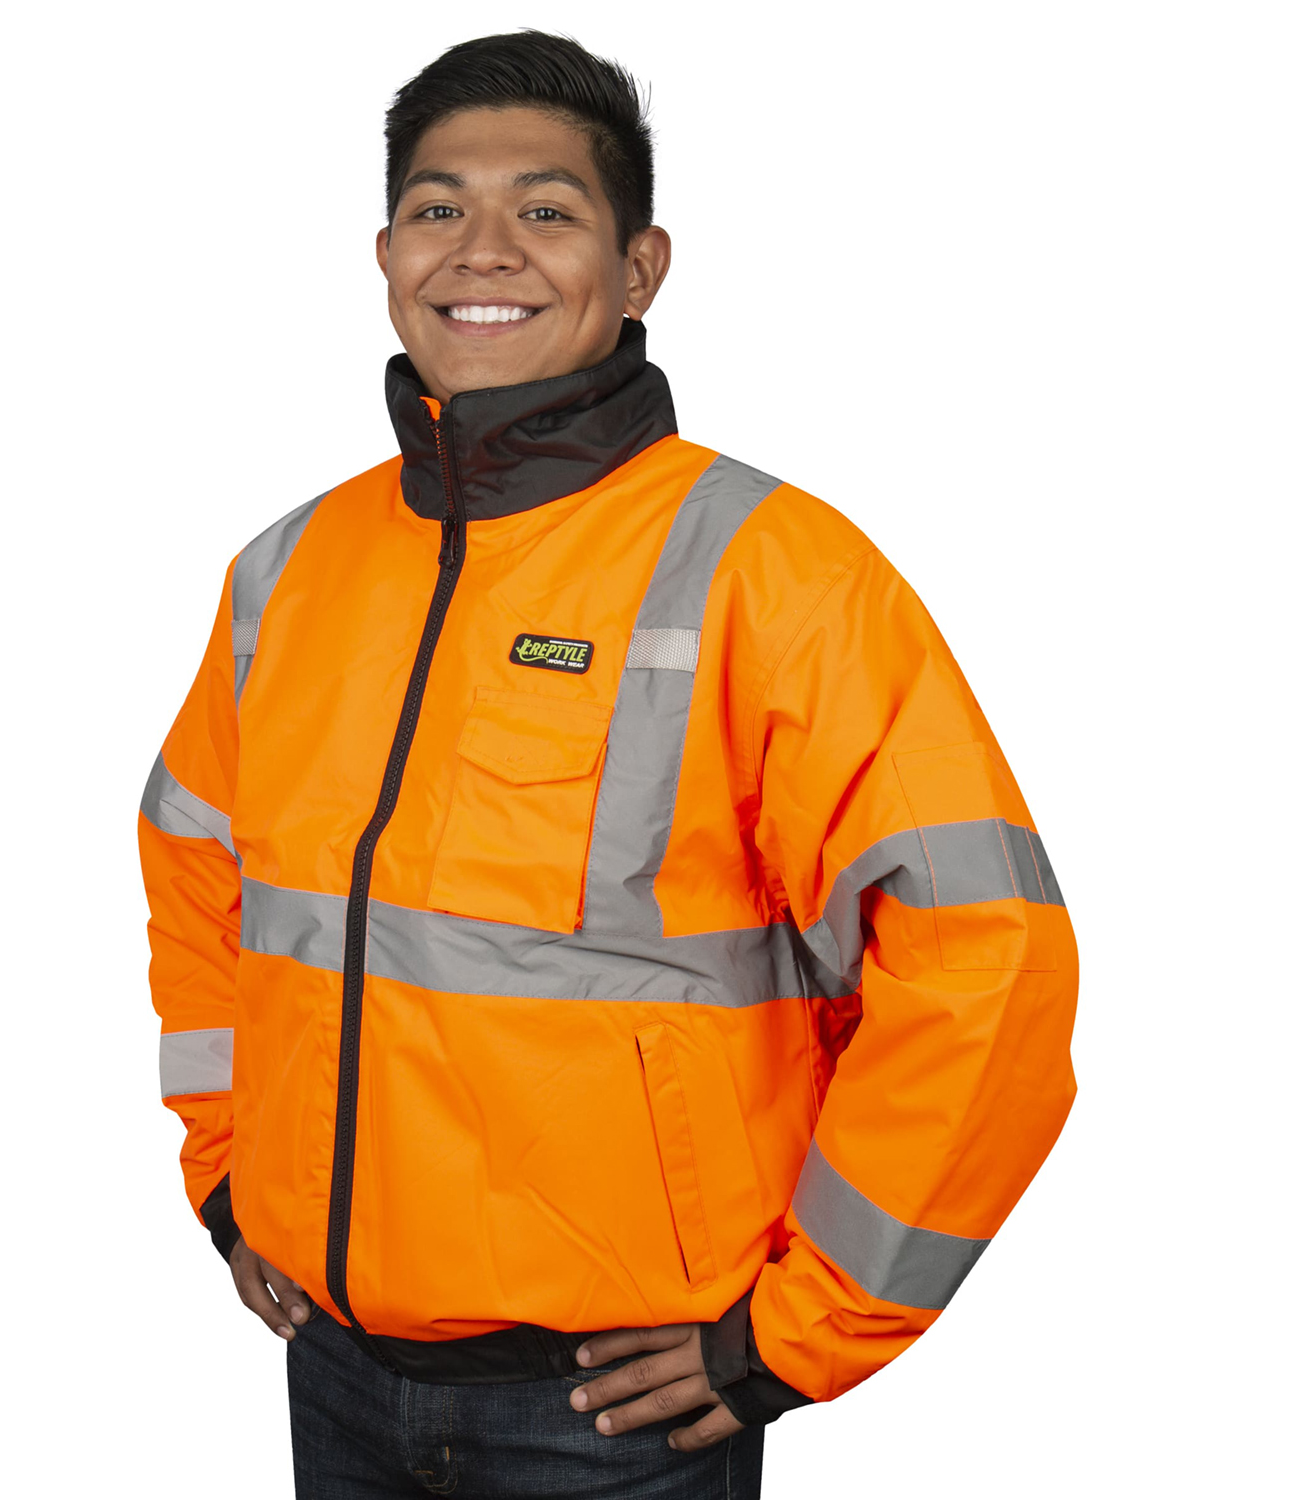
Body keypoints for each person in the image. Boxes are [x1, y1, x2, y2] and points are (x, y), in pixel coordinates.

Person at [137, 29, 1079, 1499]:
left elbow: (988, 956)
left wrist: (799, 1331)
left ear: (639, 268)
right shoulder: (290, 570)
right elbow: (203, 877)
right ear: (385, 255)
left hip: (615, 1413)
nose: (483, 249)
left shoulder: (772, 571)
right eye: (439, 207)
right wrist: (227, 1173)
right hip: (333, 1368)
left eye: (546, 209)